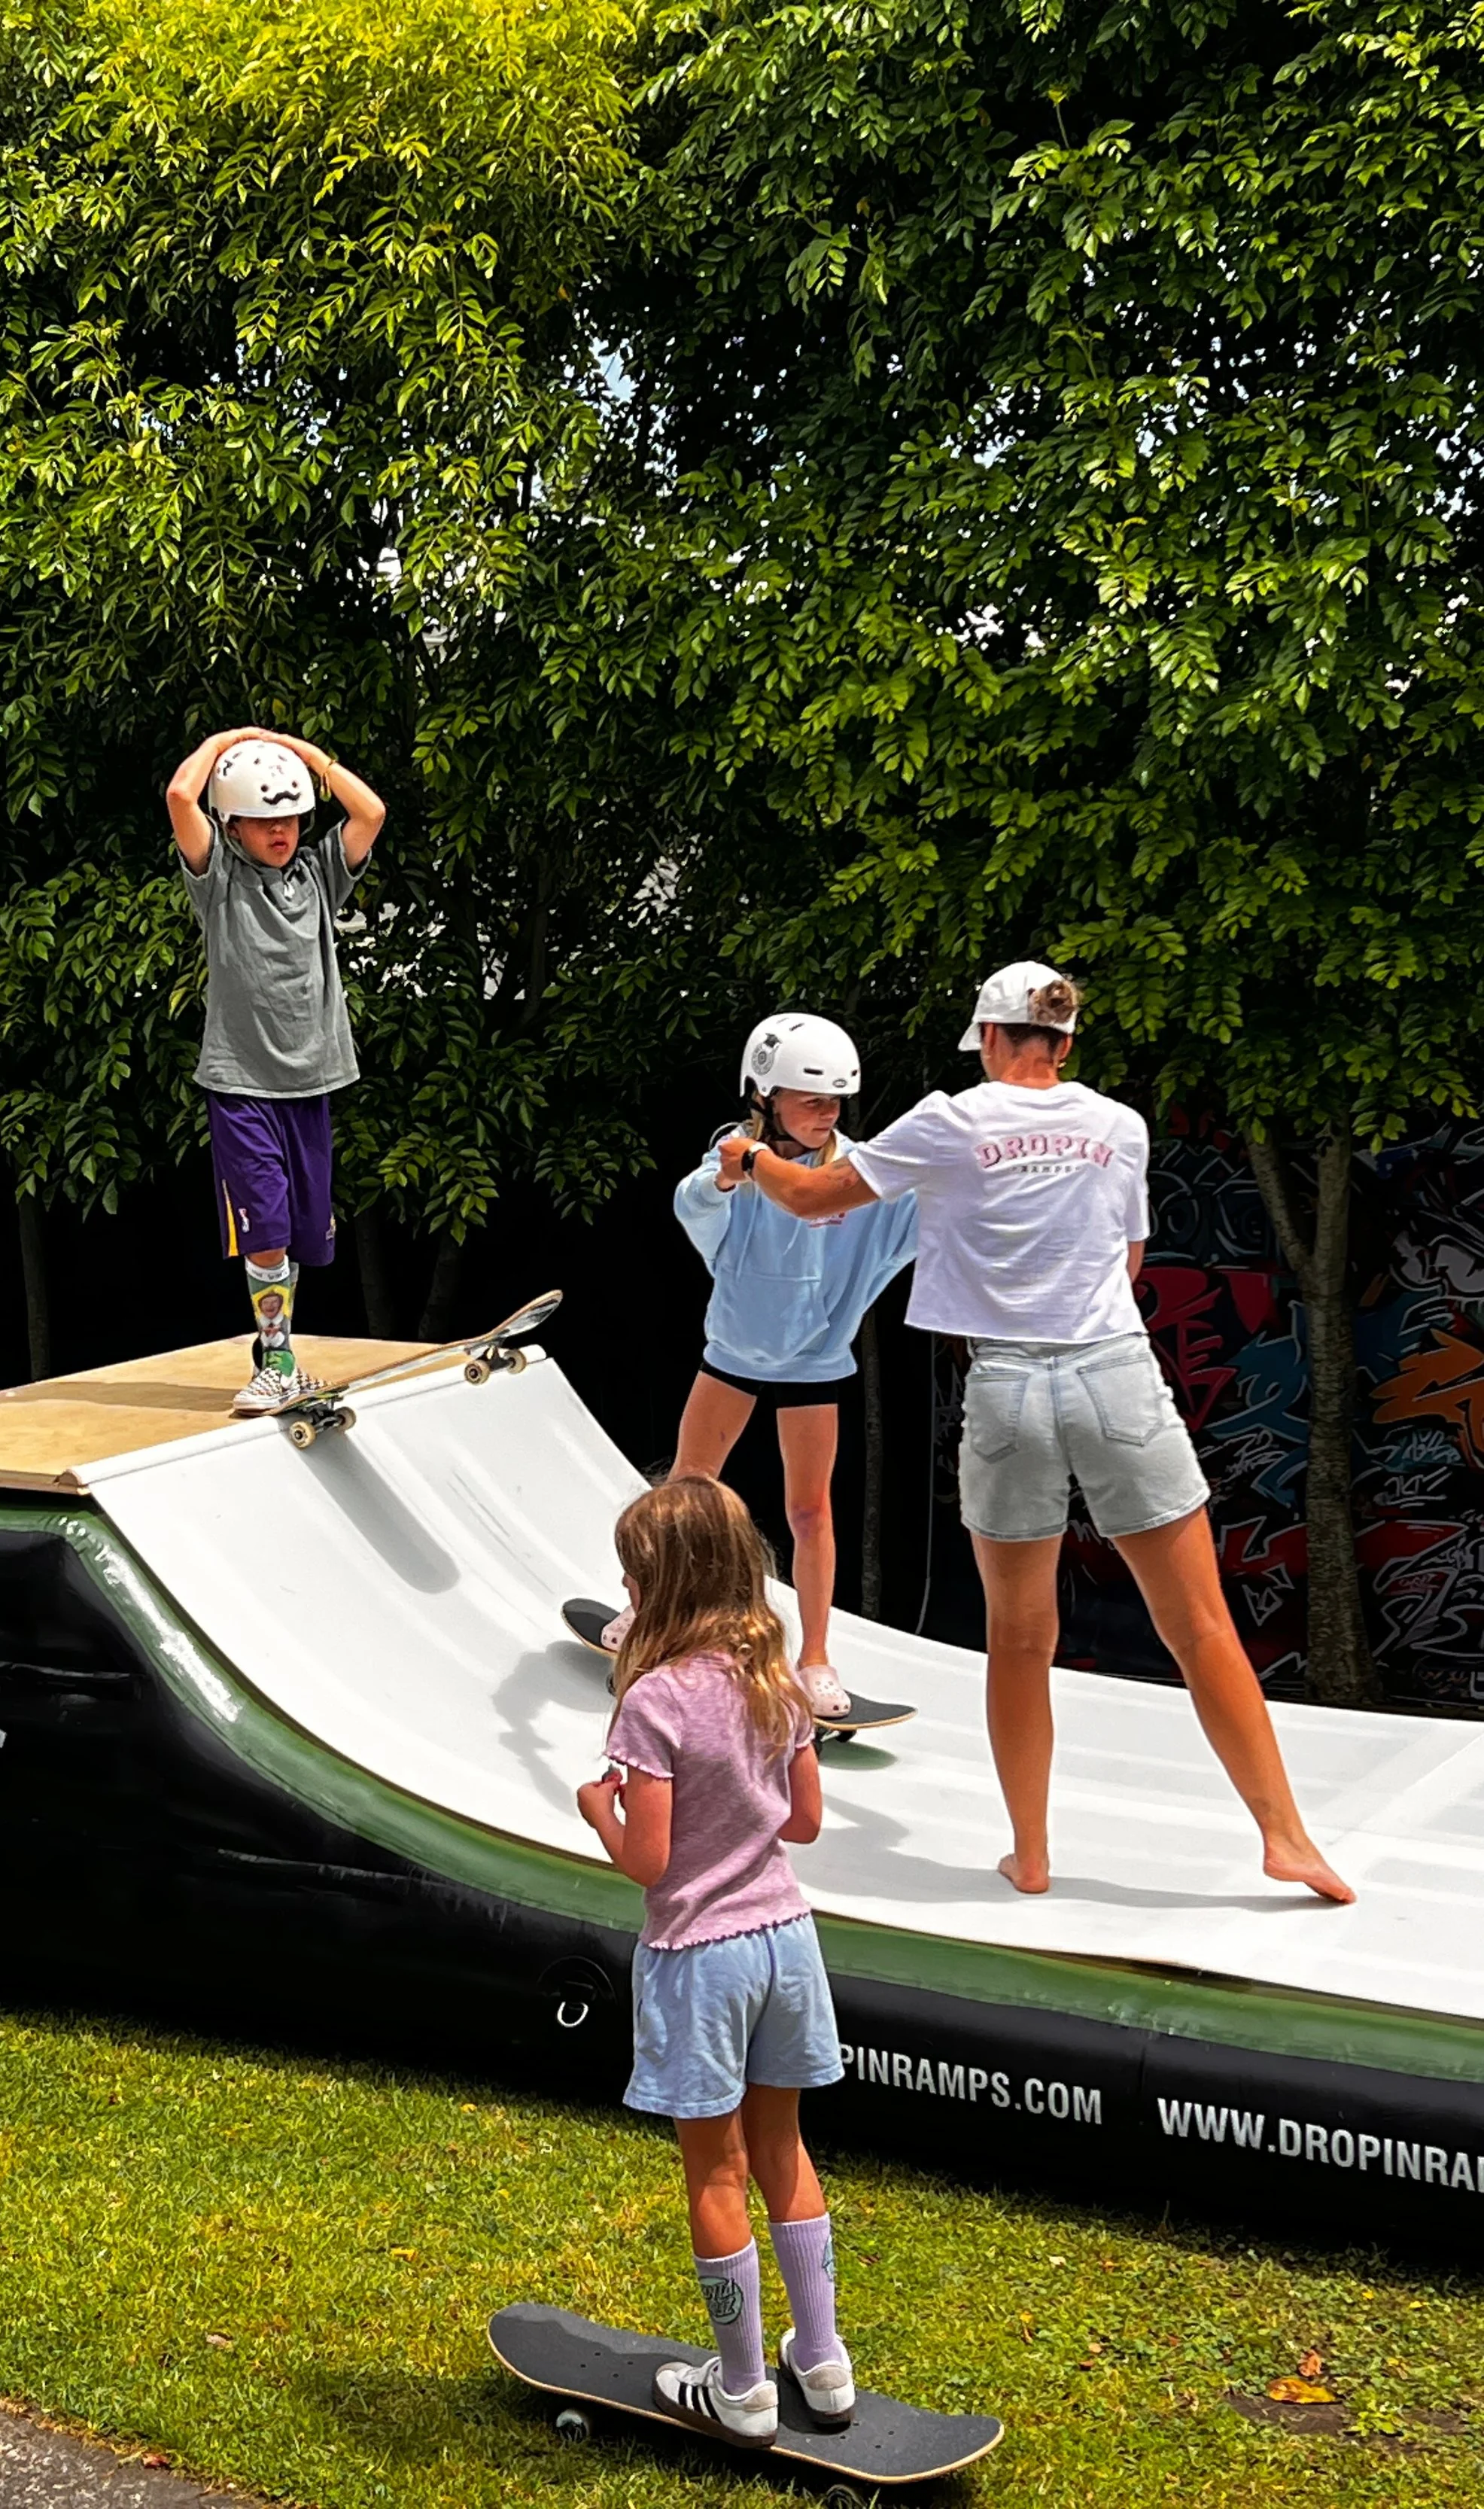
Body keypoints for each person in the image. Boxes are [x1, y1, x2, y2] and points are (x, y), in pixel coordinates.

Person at [719, 961, 1354, 1906]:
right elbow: (1127, 1258)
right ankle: (1287, 1839)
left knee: (1020, 1637)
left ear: (989, 1039)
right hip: (1115, 1372)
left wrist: (749, 1161)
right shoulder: (1118, 1125)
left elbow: (814, 1199)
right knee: (1199, 1625)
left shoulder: (949, 1119)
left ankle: (1031, 1856)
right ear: (1062, 1042)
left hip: (1008, 1385)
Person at [575, 1476, 853, 2447]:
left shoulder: (653, 1701)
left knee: (715, 2174)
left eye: (633, 1573)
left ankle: (741, 2390)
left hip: (700, 1955)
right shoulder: (777, 1682)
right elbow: (806, 1824)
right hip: (786, 1940)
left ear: (664, 1584)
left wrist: (596, 1810)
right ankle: (820, 2366)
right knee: (785, 2154)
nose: (623, 1584)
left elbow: (648, 1861)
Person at [659, 1013, 918, 1721]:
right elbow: (695, 1202)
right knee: (688, 1492)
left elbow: (923, 1215)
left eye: (836, 1101)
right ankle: (648, 1612)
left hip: (817, 1361)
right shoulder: (735, 1166)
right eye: (811, 1099)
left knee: (811, 1511)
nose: (826, 1113)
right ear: (766, 1095)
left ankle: (816, 1661)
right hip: (734, 1352)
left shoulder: (858, 1172)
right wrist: (723, 1176)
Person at [166, 727, 386, 1415]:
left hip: (311, 1080)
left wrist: (310, 755)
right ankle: (280, 1361)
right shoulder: (219, 877)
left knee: (297, 1229)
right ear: (233, 826)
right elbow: (179, 795)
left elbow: (371, 813)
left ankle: (277, 1352)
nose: (282, 831)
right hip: (240, 1083)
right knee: (263, 1222)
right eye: (264, 821)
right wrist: (226, 740)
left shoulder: (319, 873)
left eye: (290, 817)